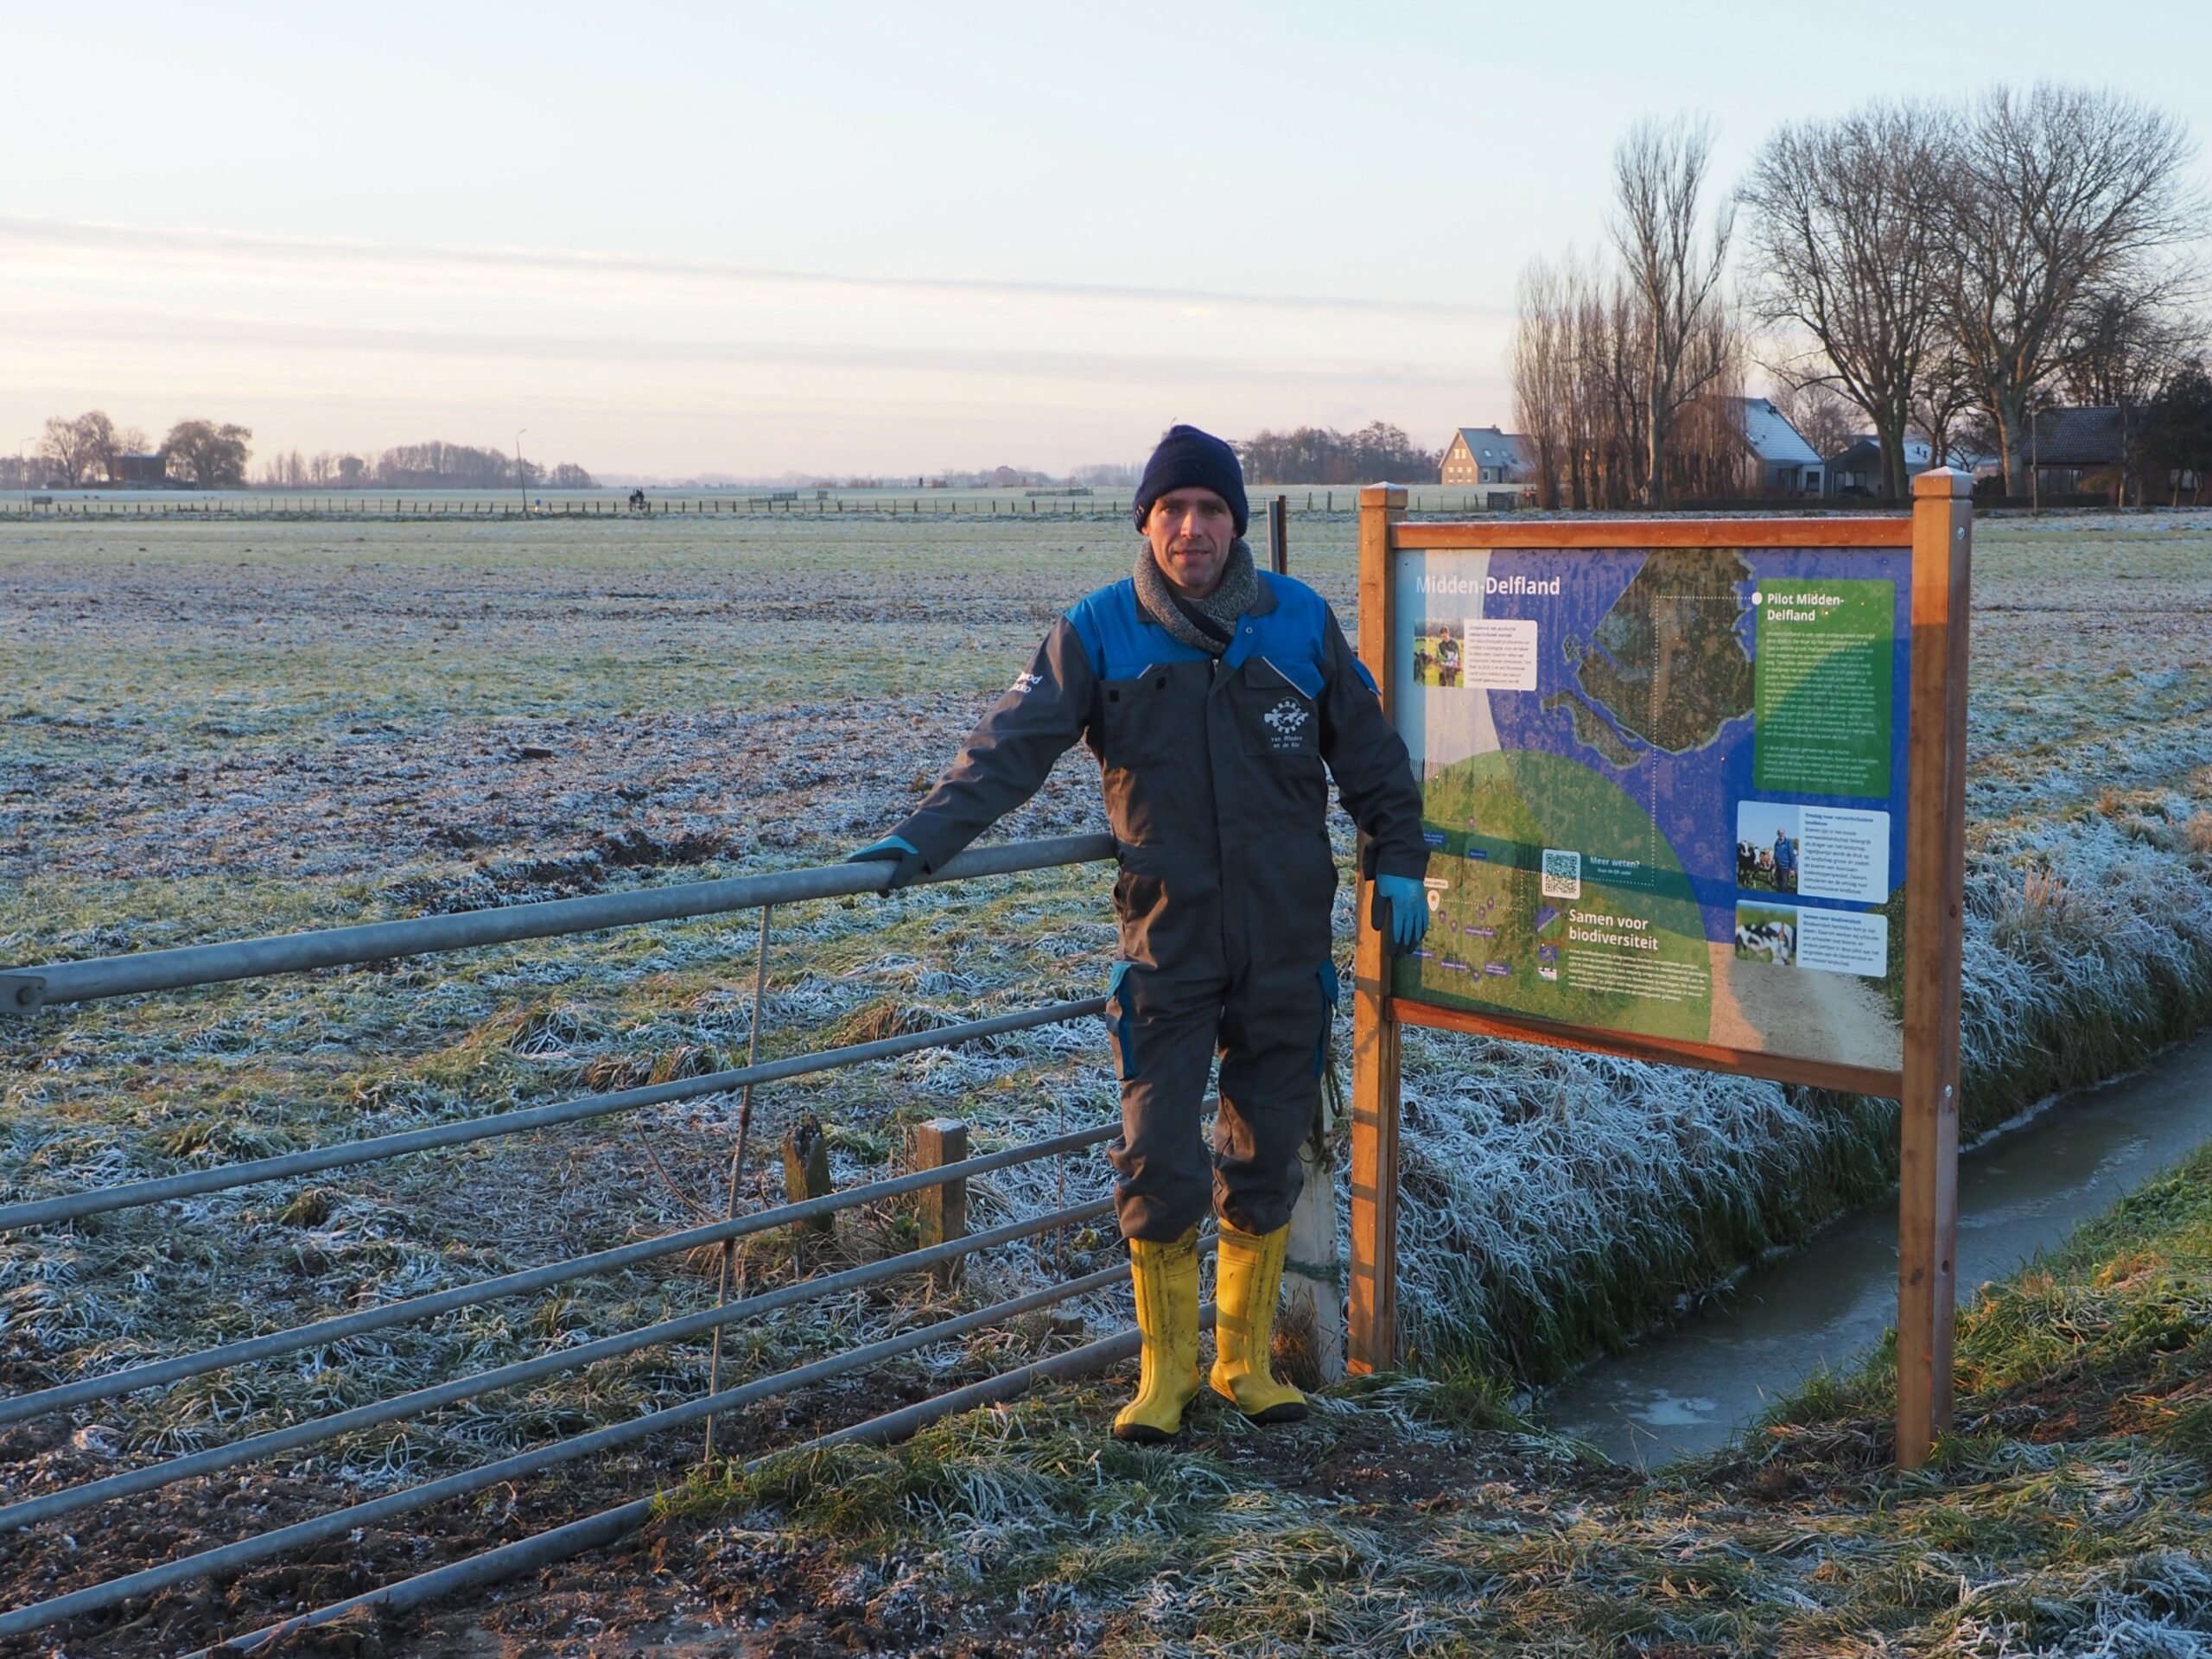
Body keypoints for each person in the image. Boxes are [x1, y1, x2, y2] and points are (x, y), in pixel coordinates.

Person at [848, 424, 1430, 1442]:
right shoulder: (1101, 630)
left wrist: (1403, 862)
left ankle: (1241, 1367)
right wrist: (916, 840)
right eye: (1172, 511)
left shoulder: (1298, 625)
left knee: (1266, 1155)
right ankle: (1164, 1380)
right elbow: (1010, 751)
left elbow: (1372, 758)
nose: (1191, 529)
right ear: (1146, 523)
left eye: (1210, 510)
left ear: (1236, 522)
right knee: (1158, 1156)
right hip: (1167, 946)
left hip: (1286, 947)